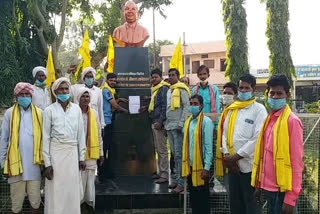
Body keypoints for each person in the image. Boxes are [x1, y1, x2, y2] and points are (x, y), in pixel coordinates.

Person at [215, 73, 267, 214]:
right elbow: (225, 135)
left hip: (249, 167)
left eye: (246, 88)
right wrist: (227, 156)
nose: (243, 91)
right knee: (235, 205)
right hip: (232, 168)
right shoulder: (232, 109)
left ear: (253, 89)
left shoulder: (259, 110)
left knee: (251, 206)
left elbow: (257, 138)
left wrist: (237, 156)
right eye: (241, 88)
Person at [252, 74, 303, 214]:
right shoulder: (268, 120)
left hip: (283, 191)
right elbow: (263, 155)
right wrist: (258, 185)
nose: (274, 97)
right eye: (271, 93)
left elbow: (296, 163)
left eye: (279, 93)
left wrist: (291, 199)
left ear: (287, 95)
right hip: (268, 189)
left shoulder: (292, 121)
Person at [43, 77, 86, 214]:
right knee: (56, 189)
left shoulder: (76, 110)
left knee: (71, 190)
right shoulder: (49, 110)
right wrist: (47, 163)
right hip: (55, 154)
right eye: (61, 89)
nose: (64, 91)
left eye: (66, 88)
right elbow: (45, 138)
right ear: (55, 91)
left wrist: (82, 157)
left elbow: (80, 135)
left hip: (72, 154)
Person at [0, 83, 43, 214]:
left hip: (34, 167)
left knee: (35, 202)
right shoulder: (9, 113)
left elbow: (45, 139)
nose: (24, 97)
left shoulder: (40, 113)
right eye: (21, 95)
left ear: (31, 96)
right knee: (16, 204)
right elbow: (4, 139)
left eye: (27, 94)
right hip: (14, 167)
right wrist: (3, 163)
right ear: (16, 96)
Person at [182, 94, 213, 214]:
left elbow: (208, 146)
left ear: (201, 106)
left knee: (203, 199)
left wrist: (206, 168)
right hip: (190, 165)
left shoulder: (206, 122)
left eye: (196, 104)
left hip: (201, 167)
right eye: (191, 104)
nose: (193, 106)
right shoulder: (188, 121)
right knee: (193, 197)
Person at [76, 87, 104, 212]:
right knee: (79, 181)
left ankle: (89, 205)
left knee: (90, 181)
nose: (85, 99)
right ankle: (79, 205)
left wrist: (101, 152)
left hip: (91, 152)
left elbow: (98, 134)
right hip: (76, 153)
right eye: (83, 96)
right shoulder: (74, 112)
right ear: (78, 98)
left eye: (87, 96)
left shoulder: (94, 113)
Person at [141, 68, 170, 183]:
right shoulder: (155, 90)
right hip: (154, 121)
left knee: (162, 150)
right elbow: (155, 104)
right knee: (158, 148)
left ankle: (165, 175)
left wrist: (160, 121)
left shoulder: (163, 88)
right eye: (152, 77)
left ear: (161, 77)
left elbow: (164, 106)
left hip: (159, 123)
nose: (153, 79)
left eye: (156, 77)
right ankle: (161, 172)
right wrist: (145, 108)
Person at [165, 68, 191, 193]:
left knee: (179, 155)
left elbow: (187, 106)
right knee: (174, 155)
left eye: (173, 75)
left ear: (178, 76)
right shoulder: (169, 90)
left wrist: (181, 123)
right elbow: (168, 109)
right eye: (169, 75)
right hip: (169, 126)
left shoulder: (182, 89)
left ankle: (182, 183)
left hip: (178, 127)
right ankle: (176, 180)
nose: (170, 77)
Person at [99, 73, 128, 182]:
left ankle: (106, 172)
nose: (113, 83)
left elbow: (112, 102)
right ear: (107, 80)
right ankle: (103, 173)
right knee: (105, 148)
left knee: (108, 147)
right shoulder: (106, 90)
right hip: (106, 122)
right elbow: (114, 105)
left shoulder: (109, 91)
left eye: (115, 81)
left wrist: (119, 99)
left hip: (109, 120)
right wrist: (126, 110)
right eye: (111, 81)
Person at [191, 65, 220, 131]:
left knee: (208, 141)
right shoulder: (194, 90)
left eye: (204, 74)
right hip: (197, 121)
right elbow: (192, 107)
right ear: (198, 76)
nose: (202, 76)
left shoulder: (214, 89)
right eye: (200, 74)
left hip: (210, 122)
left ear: (208, 75)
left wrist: (216, 126)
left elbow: (217, 107)